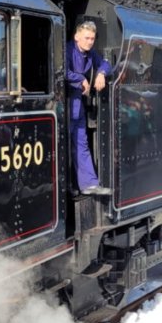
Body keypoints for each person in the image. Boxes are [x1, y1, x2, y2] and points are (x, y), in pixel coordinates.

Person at [67, 21, 112, 196]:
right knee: (63, 147)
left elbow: (106, 63)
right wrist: (80, 79)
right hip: (65, 104)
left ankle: (89, 184)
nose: (90, 42)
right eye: (87, 38)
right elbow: (60, 70)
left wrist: (101, 73)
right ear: (77, 36)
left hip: (78, 106)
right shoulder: (67, 50)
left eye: (92, 39)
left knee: (81, 143)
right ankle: (67, 187)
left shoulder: (91, 53)